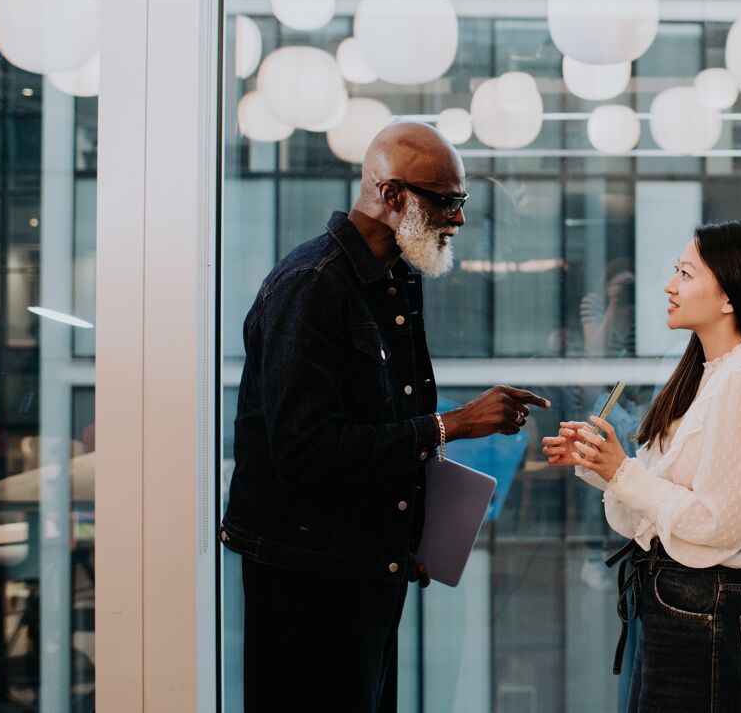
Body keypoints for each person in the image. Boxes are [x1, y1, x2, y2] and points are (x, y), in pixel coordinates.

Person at [220, 122, 550, 713]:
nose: (459, 220)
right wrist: (456, 424)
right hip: (309, 586)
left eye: (462, 202)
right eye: (447, 202)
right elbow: (306, 454)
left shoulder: (395, 278)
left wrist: (408, 535)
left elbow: (386, 425)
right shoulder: (312, 286)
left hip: (364, 569)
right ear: (392, 195)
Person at [542, 219, 741, 713]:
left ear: (729, 297)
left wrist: (622, 473)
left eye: (686, 273)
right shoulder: (699, 374)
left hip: (709, 609)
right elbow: (655, 508)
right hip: (679, 602)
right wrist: (601, 463)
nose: (669, 286)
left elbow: (721, 525)